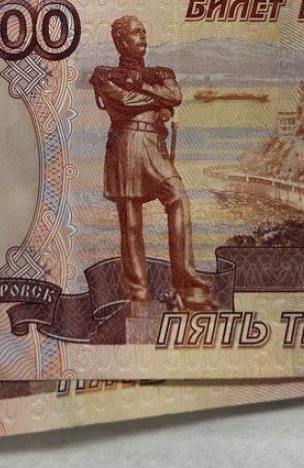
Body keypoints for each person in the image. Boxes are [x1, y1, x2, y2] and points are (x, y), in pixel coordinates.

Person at [90, 15, 214, 313]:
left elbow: (175, 96)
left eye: (144, 31)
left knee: (178, 199)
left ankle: (186, 283)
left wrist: (143, 86)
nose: (142, 36)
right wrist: (158, 101)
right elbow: (125, 102)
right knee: (131, 223)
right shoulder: (104, 75)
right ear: (121, 41)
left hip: (154, 146)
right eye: (136, 33)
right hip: (126, 146)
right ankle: (138, 295)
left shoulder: (160, 72)